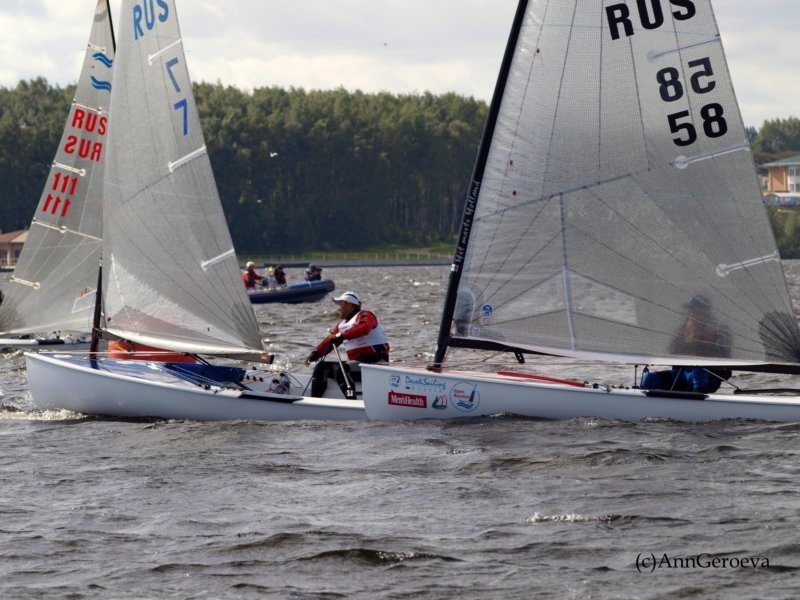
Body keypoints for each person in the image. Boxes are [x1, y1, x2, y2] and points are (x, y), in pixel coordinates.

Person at [305, 290, 390, 397]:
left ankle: (352, 400)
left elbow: (364, 328)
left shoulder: (366, 315)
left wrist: (340, 336)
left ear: (348, 305)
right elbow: (329, 341)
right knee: (321, 367)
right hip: (358, 364)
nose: (338, 309)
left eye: (340, 305)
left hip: (376, 364)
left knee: (341, 369)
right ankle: (315, 401)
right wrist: (316, 353)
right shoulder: (341, 325)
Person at [641, 295, 732, 394]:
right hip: (682, 374)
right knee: (649, 378)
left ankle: (696, 400)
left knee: (698, 371)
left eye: (695, 309)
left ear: (706, 311)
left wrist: (705, 342)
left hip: (708, 376)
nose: (691, 312)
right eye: (690, 309)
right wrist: (688, 341)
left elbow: (724, 356)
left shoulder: (720, 330)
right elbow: (672, 350)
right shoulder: (682, 329)